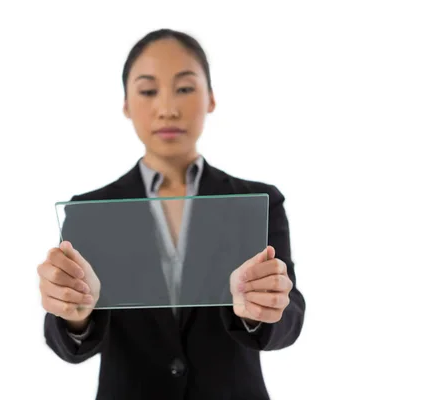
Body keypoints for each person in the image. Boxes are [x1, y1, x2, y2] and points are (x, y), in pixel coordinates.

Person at [38, 28, 306, 400]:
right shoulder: (89, 212)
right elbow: (67, 342)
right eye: (148, 91)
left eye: (184, 88)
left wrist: (261, 309)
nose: (167, 108)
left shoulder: (259, 201)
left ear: (210, 98)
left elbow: (290, 318)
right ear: (126, 104)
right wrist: (76, 314)